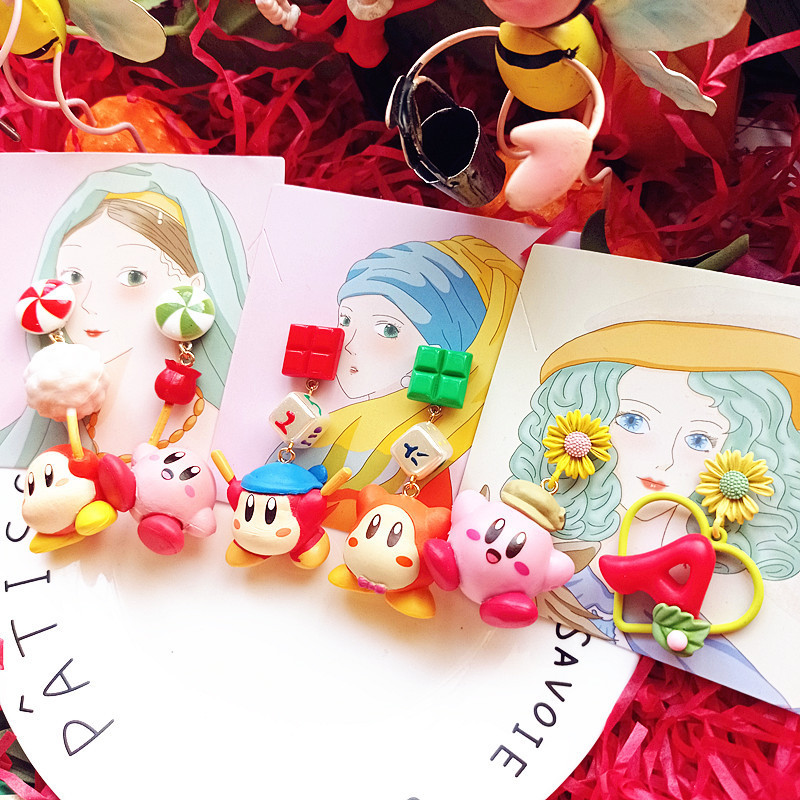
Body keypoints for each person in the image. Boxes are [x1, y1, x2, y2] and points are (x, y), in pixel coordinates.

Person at [509, 320, 800, 706]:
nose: (665, 460)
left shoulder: (743, 664)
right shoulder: (541, 566)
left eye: (700, 440)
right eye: (633, 421)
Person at [1, 162, 248, 468]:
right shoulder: (22, 444)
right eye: (74, 276)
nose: (90, 303)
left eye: (133, 276)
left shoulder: (228, 441)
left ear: (190, 290)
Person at [290, 236, 523, 531]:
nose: (348, 343)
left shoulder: (436, 468)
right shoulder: (337, 429)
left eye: (387, 329)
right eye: (345, 320)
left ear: (435, 353)